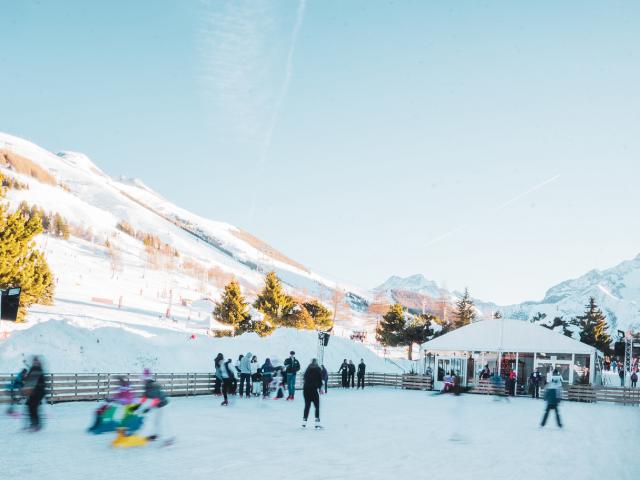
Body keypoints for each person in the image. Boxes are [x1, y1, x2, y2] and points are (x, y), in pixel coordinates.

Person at [138, 369, 169, 440]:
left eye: (143, 379)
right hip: (157, 403)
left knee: (158, 421)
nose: (142, 381)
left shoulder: (152, 386)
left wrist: (149, 408)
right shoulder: (147, 386)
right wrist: (139, 405)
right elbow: (145, 397)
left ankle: (162, 436)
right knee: (155, 420)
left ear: (146, 379)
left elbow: (156, 399)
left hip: (161, 403)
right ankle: (156, 434)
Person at [23, 356, 46, 431]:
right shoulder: (33, 369)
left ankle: (37, 424)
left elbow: (33, 380)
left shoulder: (38, 369)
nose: (35, 363)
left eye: (36, 361)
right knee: (30, 406)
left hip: (38, 391)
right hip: (33, 391)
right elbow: (29, 380)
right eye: (34, 361)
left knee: (33, 406)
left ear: (38, 362)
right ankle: (33, 423)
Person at [302, 359, 323, 428]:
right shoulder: (318, 369)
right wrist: (320, 388)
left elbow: (304, 378)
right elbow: (320, 379)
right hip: (313, 389)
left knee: (307, 405)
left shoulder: (308, 369)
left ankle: (304, 422)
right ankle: (317, 423)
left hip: (306, 389)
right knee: (316, 406)